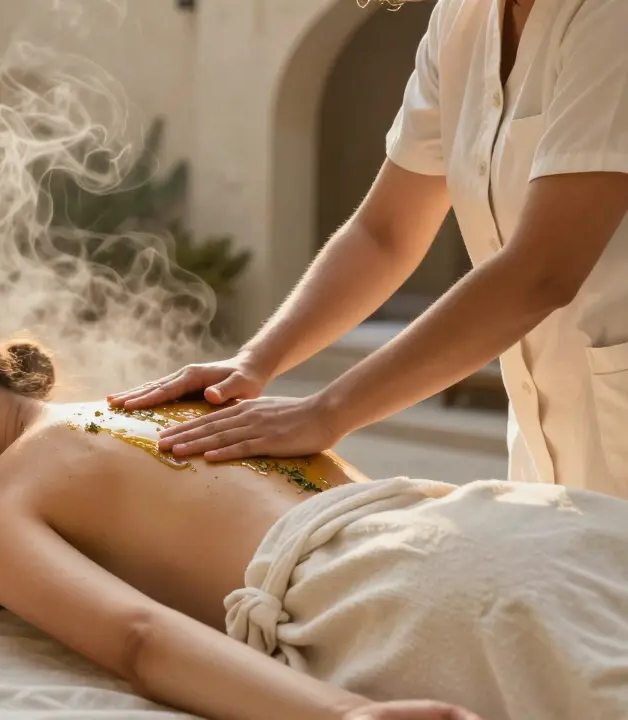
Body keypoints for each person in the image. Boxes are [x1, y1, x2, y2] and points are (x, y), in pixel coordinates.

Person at [0, 311, 628, 720]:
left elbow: (140, 638)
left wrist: (343, 716)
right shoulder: (151, 402)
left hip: (398, 596)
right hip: (512, 525)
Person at [109, 0, 628, 498]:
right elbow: (384, 234)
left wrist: (326, 413)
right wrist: (255, 361)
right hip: (546, 452)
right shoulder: (461, 20)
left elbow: (541, 271)